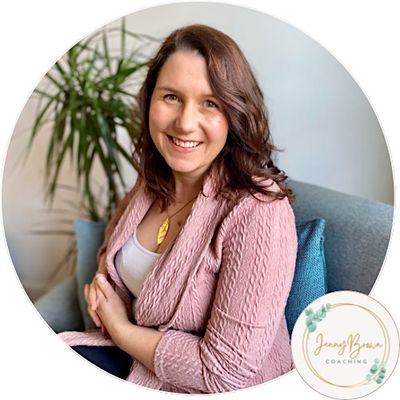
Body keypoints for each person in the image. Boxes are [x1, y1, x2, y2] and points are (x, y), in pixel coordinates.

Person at [59, 24, 297, 393]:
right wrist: (103, 287)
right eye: (171, 97)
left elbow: (225, 371)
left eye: (210, 103)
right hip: (135, 367)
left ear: (235, 113)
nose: (185, 123)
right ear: (149, 101)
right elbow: (113, 249)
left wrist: (121, 330)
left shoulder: (259, 209)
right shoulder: (151, 181)